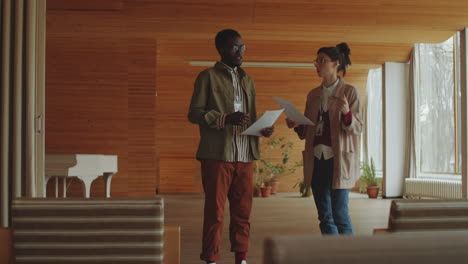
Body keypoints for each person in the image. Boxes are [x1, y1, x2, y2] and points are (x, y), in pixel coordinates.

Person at [188, 29, 274, 264]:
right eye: (235, 47)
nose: (240, 51)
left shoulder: (248, 80)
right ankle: (211, 259)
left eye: (242, 47)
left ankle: (241, 258)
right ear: (222, 49)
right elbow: (194, 113)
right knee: (215, 212)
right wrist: (225, 118)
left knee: (243, 211)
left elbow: (249, 118)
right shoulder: (207, 77)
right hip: (218, 155)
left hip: (245, 155)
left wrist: (262, 128)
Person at [286, 43, 363, 235]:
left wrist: (347, 113)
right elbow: (308, 131)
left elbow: (358, 127)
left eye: (322, 60)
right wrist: (297, 125)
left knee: (340, 215)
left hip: (338, 160)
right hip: (316, 159)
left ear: (335, 63)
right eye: (316, 61)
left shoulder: (350, 92)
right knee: (325, 216)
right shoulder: (313, 95)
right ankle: (331, 255)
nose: (317, 65)